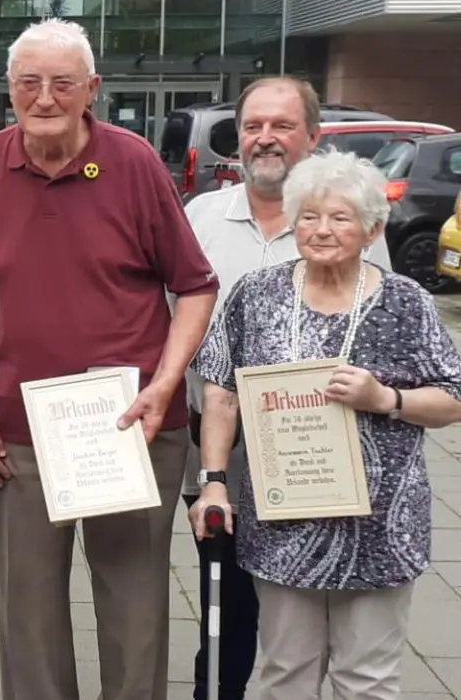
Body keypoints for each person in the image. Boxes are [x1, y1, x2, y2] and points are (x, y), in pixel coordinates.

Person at [0, 18, 219, 700]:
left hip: (130, 425)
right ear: (8, 89)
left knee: (134, 611)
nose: (44, 97)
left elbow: (193, 285)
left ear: (90, 88)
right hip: (15, 429)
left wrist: (163, 386)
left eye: (61, 83)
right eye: (28, 82)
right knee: (26, 617)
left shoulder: (131, 163)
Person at [189, 148, 461, 700]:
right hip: (285, 518)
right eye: (309, 215)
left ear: (372, 228)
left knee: (366, 679)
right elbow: (221, 391)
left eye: (340, 218)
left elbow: (453, 397)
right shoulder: (256, 296)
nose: (321, 229)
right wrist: (214, 479)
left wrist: (385, 398)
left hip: (381, 525)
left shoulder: (406, 301)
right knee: (285, 672)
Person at [178, 77, 393, 700]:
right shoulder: (198, 218)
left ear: (314, 137)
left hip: (324, 462)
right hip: (217, 455)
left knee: (312, 629)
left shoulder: (355, 225)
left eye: (281, 126)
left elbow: (385, 334)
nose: (265, 139)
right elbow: (168, 325)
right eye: (253, 126)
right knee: (225, 618)